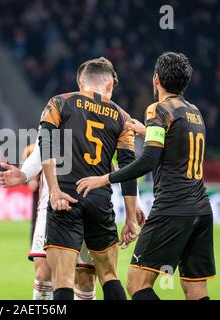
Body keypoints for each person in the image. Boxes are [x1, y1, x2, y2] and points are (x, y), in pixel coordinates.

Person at [77, 52, 216, 300]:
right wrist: (147, 131)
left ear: (156, 79)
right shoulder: (194, 112)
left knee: (137, 284)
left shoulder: (159, 110)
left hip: (172, 209)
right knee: (195, 289)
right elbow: (175, 146)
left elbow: (147, 161)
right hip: (201, 210)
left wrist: (105, 178)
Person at [37, 57, 140, 300]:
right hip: (100, 201)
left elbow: (46, 146)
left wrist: (53, 190)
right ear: (109, 86)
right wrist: (131, 219)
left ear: (80, 82)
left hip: (65, 198)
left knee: (62, 279)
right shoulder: (121, 116)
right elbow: (128, 168)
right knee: (109, 276)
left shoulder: (60, 102)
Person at [0, 143, 97, 300]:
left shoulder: (109, 118)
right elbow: (41, 148)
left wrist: (134, 203)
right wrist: (24, 174)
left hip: (89, 205)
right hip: (50, 205)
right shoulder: (52, 118)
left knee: (85, 280)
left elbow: (118, 157)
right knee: (43, 274)